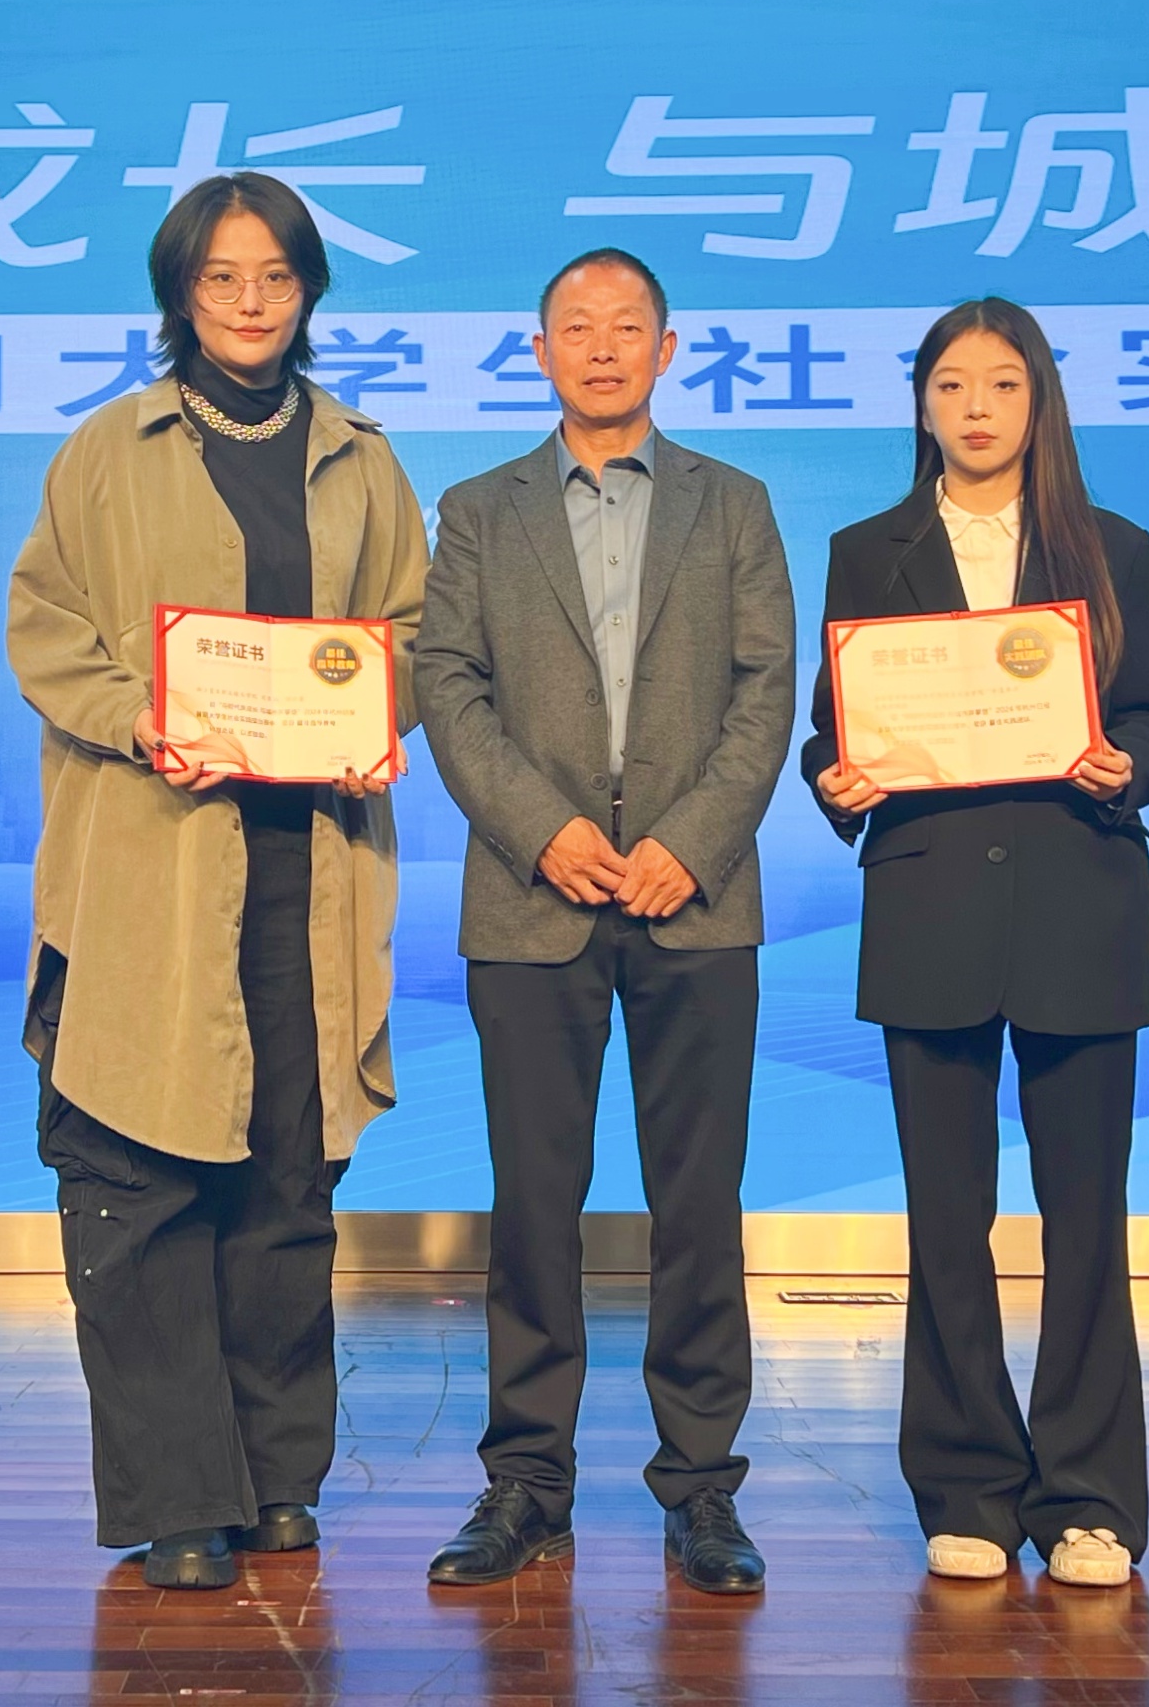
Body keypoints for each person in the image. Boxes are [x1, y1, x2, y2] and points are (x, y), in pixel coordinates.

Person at [5, 173, 428, 1590]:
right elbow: (45, 627)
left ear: (310, 293)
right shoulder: (108, 450)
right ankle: (181, 1496)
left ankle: (278, 1477)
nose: (251, 302)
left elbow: (412, 628)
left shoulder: (362, 458)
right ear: (179, 294)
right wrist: (144, 719)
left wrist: (373, 715)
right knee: (142, 1177)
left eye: (276, 278)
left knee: (287, 1183)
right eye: (221, 278)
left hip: (311, 869)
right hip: (153, 864)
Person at [414, 247, 797, 1595]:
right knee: (534, 1205)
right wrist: (546, 830)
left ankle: (702, 1488)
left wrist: (688, 844)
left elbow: (766, 691)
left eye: (626, 326)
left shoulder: (734, 503)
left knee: (699, 1204)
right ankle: (527, 1483)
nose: (601, 346)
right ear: (539, 352)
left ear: (667, 349)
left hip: (698, 899)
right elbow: (446, 685)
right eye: (575, 327)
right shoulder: (479, 509)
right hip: (535, 900)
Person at [799, 297, 1149, 1588]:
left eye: (1004, 384)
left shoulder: (1111, 547)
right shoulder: (868, 550)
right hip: (931, 907)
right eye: (952, 384)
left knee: (1087, 1219)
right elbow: (833, 729)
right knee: (944, 1218)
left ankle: (1090, 1497)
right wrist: (836, 779)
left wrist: (1128, 763)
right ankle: (965, 1485)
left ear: (1041, 403)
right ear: (921, 403)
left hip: (1080, 900)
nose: (976, 407)